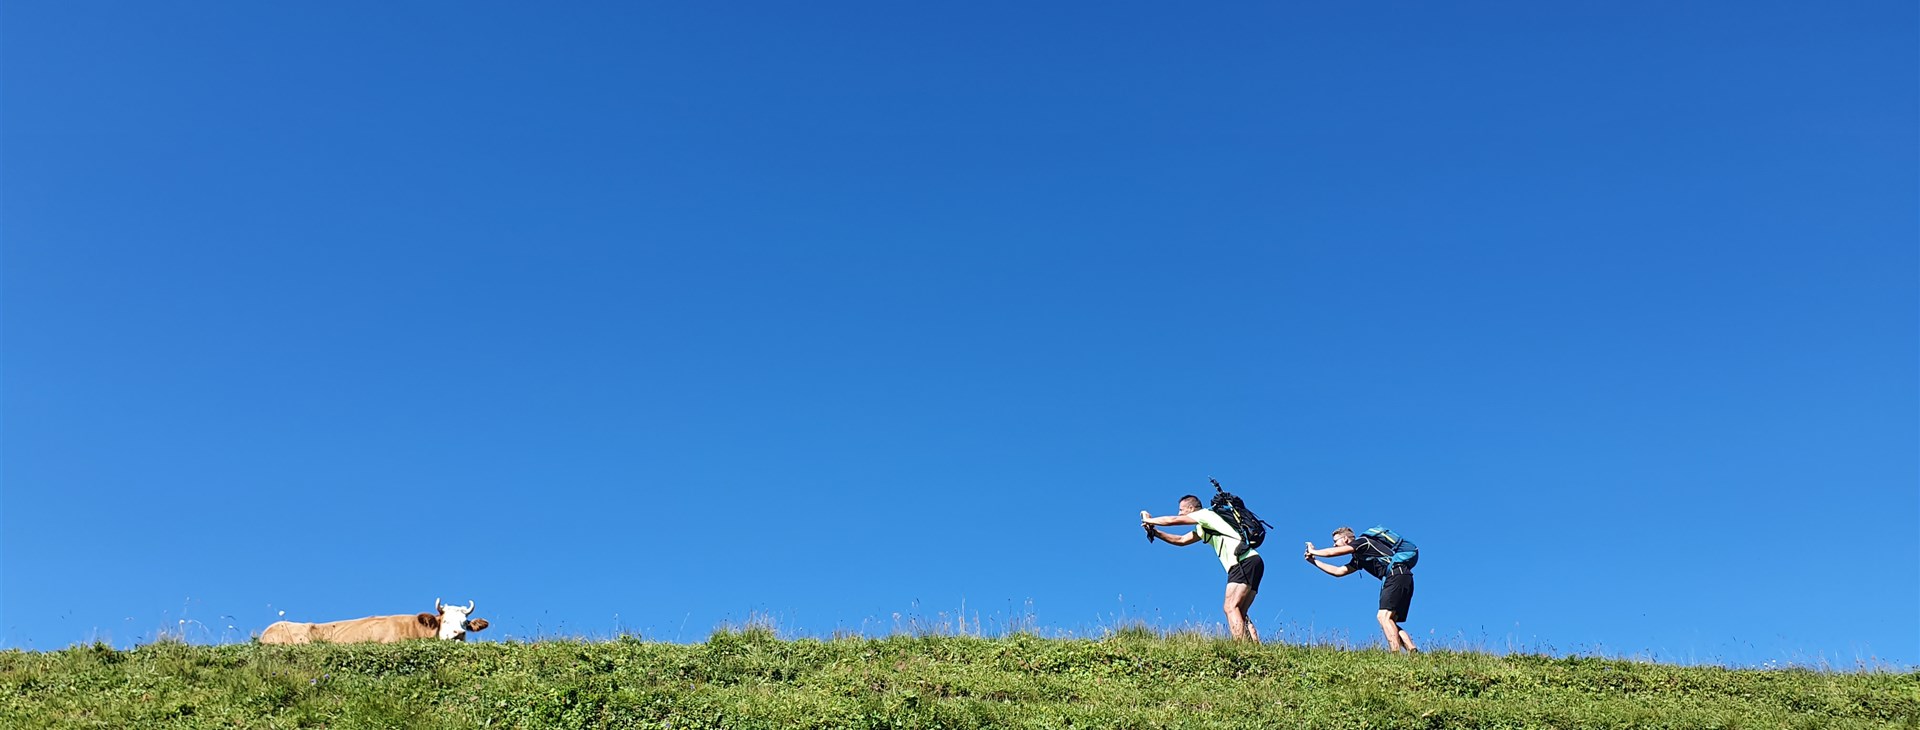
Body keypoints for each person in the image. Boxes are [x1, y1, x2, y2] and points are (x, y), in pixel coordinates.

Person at [1141, 495, 1264, 642]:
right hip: (1253, 561)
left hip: (1243, 561)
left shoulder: (1205, 514)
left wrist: (1149, 520)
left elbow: (1174, 520)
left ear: (1191, 508)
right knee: (1240, 612)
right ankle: (1255, 650)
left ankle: (1243, 649)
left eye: (1181, 510)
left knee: (1230, 607)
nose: (1179, 513)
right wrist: (1155, 533)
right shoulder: (1204, 526)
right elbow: (1181, 540)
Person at [1304, 526, 1418, 653]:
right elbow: (1338, 571)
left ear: (1346, 539)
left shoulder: (1363, 542)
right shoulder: (1359, 558)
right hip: (1403, 577)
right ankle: (1412, 650)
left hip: (1396, 575)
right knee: (1389, 620)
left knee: (1383, 617)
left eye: (1336, 541)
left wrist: (1314, 551)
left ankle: (1395, 654)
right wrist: (1314, 562)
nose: (1334, 545)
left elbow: (1333, 553)